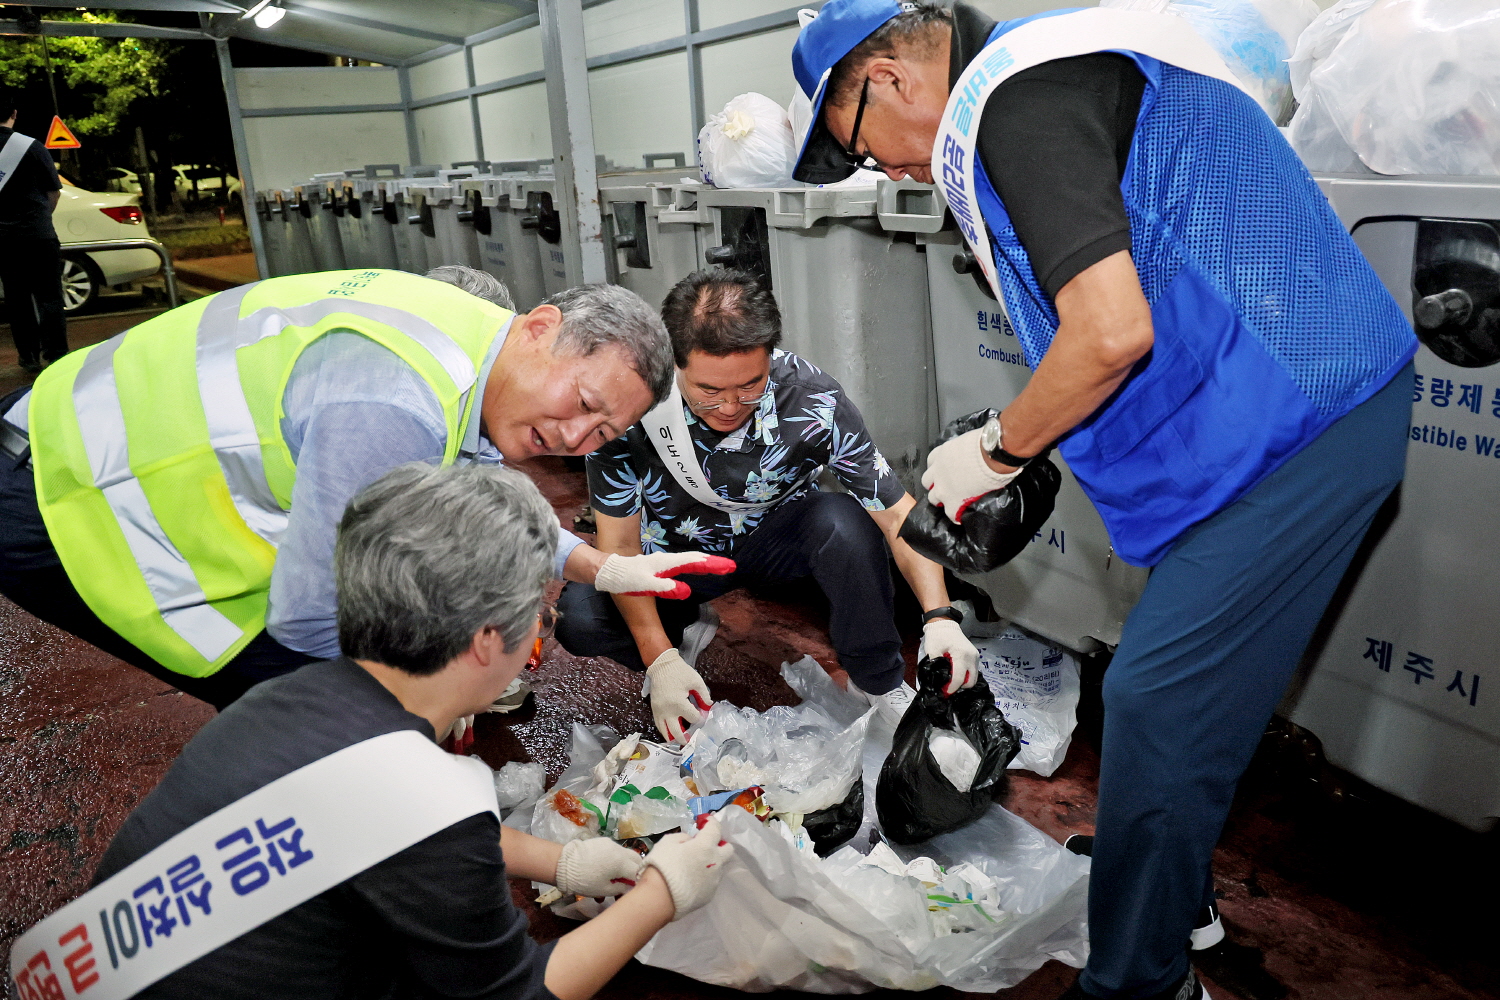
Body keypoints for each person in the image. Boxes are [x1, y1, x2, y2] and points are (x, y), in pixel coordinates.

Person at [788, 3, 1416, 1000]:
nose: (885, 172)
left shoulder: (1013, 99)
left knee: (1158, 696)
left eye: (861, 149)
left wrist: (995, 450)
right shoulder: (1037, 81)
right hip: (1263, 413)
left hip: (1299, 421)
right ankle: (1172, 893)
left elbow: (1111, 330)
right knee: (1193, 687)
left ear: (892, 81)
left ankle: (1139, 977)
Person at [81, 462, 732, 999]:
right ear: (486, 643)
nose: (544, 632)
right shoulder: (420, 795)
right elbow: (519, 994)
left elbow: (379, 827)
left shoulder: (289, 696)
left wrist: (560, 860)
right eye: (541, 618)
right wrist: (660, 894)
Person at [0, 267, 731, 709]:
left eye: (602, 434)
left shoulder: (469, 340)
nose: (576, 439)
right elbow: (313, 616)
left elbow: (476, 488)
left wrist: (603, 567)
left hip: (64, 441)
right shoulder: (397, 401)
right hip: (68, 491)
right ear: (543, 327)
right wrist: (445, 685)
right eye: (581, 403)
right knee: (320, 700)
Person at [556, 268, 979, 740]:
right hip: (674, 559)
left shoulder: (812, 399)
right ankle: (682, 632)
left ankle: (876, 681)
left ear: (770, 354)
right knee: (581, 616)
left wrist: (940, 619)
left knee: (843, 522)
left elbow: (898, 514)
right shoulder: (632, 408)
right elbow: (619, 549)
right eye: (709, 391)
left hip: (775, 544)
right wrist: (661, 660)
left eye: (750, 385)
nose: (731, 406)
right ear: (674, 364)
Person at [0, 89, 68, 374]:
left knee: (17, 299)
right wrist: (40, 218)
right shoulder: (32, 146)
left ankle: (28, 356)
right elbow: (54, 192)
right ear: (14, 114)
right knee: (50, 296)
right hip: (38, 236)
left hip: (3, 241)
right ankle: (56, 353)